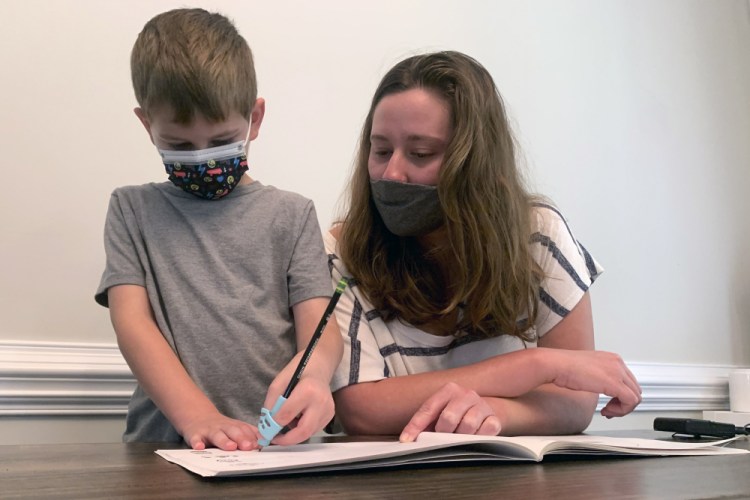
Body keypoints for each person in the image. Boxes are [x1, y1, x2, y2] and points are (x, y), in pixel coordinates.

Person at [326, 51, 641, 442]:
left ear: (474, 160)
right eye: (381, 150)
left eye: (421, 154)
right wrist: (533, 366)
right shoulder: (340, 252)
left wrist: (497, 412)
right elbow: (363, 410)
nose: (392, 173)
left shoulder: (540, 233)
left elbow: (576, 403)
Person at [94, 8, 342, 451]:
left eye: (223, 139)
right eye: (180, 145)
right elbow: (132, 323)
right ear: (147, 125)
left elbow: (320, 329)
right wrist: (198, 417)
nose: (203, 158)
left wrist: (317, 374)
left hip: (279, 449)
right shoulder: (131, 210)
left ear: (255, 119)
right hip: (165, 449)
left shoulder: (293, 214)